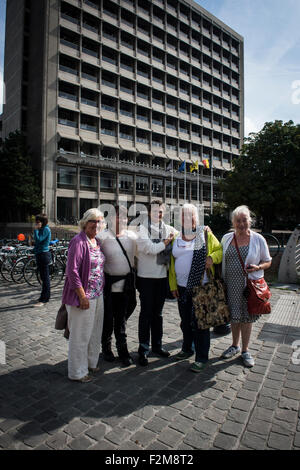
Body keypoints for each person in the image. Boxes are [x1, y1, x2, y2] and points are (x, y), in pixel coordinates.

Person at [169, 204, 223, 372]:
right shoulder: (176, 236)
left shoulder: (205, 234)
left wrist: (212, 257)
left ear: (195, 218)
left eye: (190, 215)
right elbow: (171, 264)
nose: (186, 218)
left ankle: (201, 357)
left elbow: (220, 250)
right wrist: (172, 285)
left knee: (201, 323)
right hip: (181, 287)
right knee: (185, 322)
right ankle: (187, 349)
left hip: (202, 288)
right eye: (183, 215)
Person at [221, 205, 272, 367]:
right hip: (231, 285)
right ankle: (234, 345)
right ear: (233, 222)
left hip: (248, 286)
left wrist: (258, 268)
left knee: (247, 318)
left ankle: (245, 350)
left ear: (250, 221)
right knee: (235, 316)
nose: (241, 224)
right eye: (238, 221)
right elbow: (218, 256)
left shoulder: (258, 239)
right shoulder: (227, 238)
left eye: (244, 220)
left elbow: (268, 261)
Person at [61, 208, 106, 383]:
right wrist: (82, 296)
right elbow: (71, 271)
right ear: (85, 223)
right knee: (80, 336)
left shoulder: (97, 241)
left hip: (98, 294)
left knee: (95, 333)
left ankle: (91, 362)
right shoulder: (78, 241)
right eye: (92, 221)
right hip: (83, 297)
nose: (96, 224)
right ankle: (77, 372)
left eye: (99, 221)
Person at [136, 200, 176, 366]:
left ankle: (157, 346)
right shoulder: (142, 229)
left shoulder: (168, 229)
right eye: (154, 211)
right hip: (145, 277)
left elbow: (185, 235)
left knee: (157, 315)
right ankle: (143, 349)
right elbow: (150, 249)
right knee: (146, 314)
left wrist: (204, 229)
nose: (157, 214)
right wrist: (166, 242)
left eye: (160, 212)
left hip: (161, 277)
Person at [98, 205, 137, 367]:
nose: (121, 219)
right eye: (117, 216)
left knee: (121, 317)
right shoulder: (102, 237)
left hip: (126, 284)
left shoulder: (132, 236)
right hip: (109, 284)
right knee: (108, 318)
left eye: (124, 217)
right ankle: (108, 348)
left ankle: (121, 348)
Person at [33, 213, 51, 307]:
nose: (36, 223)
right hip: (40, 254)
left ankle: (45, 299)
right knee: (43, 278)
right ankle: (42, 297)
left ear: (42, 222)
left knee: (45, 278)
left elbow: (39, 240)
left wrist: (36, 230)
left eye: (38, 222)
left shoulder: (46, 229)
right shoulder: (42, 229)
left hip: (44, 255)